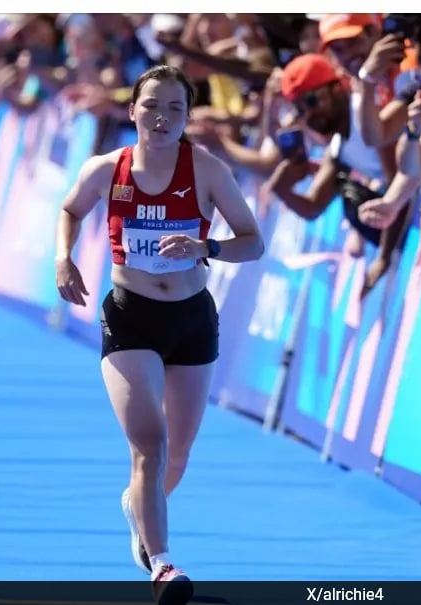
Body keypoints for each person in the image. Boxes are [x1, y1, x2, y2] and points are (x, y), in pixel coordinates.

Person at [54, 64, 264, 601]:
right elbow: (71, 209)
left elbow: (252, 242)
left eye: (175, 108)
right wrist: (64, 257)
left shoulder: (209, 171)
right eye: (152, 106)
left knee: (178, 454)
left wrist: (206, 248)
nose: (162, 117)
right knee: (150, 442)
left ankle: (136, 506)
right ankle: (164, 565)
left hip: (192, 318)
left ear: (187, 117)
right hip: (130, 317)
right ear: (133, 110)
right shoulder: (107, 169)